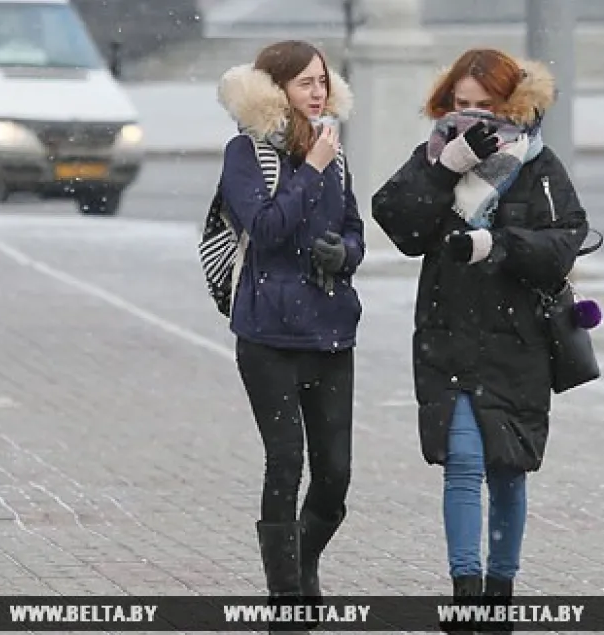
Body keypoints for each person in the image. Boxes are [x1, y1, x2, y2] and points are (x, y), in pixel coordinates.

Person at [370, 48, 590, 626]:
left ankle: (500, 592)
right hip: (447, 334)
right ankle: (466, 594)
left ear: (511, 105)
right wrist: (444, 169)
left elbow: (567, 238)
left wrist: (502, 245)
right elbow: (398, 223)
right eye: (460, 106)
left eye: (485, 107)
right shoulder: (437, 156)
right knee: (463, 462)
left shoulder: (540, 166)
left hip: (517, 340)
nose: (471, 119)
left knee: (508, 466)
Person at [216, 40, 364, 622]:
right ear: (277, 90)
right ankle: (285, 597)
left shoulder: (333, 150)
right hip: (269, 333)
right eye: (306, 83)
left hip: (330, 329)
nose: (319, 92)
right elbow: (267, 228)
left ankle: (301, 562)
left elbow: (354, 229)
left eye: (323, 81)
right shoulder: (246, 152)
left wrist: (342, 253)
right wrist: (312, 171)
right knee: (286, 461)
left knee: (335, 475)